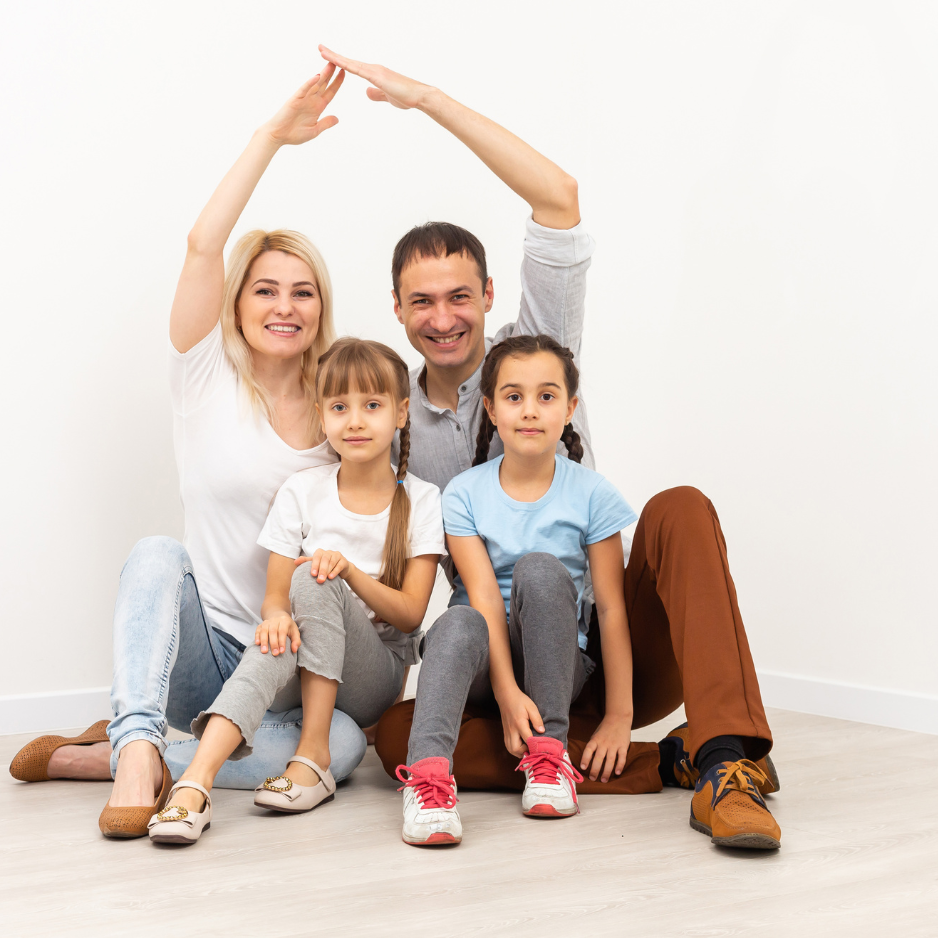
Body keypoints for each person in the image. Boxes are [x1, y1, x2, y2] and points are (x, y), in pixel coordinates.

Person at [319, 49, 782, 851]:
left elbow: (558, 195)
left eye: (460, 296)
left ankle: (726, 763)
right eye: (422, 301)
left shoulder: (531, 357)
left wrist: (427, 98)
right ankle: (647, 766)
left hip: (603, 644)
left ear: (490, 298)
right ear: (396, 308)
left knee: (680, 509)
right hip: (494, 648)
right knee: (391, 742)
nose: (444, 317)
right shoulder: (387, 419)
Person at [9, 67, 371, 839]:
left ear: (322, 306)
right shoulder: (203, 374)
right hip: (208, 653)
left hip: (296, 660)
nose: (284, 306)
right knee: (153, 553)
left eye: (302, 292)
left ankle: (114, 754)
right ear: (236, 303)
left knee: (341, 746)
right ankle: (139, 746)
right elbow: (204, 244)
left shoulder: (348, 404)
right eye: (266, 289)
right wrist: (272, 138)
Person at [147, 339, 444, 844]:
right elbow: (274, 596)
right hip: (304, 663)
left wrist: (349, 573)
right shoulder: (302, 490)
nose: (354, 421)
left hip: (370, 677)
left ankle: (313, 754)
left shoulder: (422, 498)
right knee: (274, 637)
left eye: (372, 406)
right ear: (321, 415)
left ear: (400, 412)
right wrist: (276, 617)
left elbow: (412, 614)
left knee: (316, 576)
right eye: (339, 407)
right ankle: (193, 783)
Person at [395, 335, 638, 845]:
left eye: (546, 397)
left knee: (543, 570)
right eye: (513, 397)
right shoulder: (463, 492)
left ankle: (549, 754)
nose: (530, 411)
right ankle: (429, 780)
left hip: (557, 659)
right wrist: (506, 695)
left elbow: (612, 609)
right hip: (484, 663)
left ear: (570, 408)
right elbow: (482, 596)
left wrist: (620, 715)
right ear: (490, 407)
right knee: (459, 620)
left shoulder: (594, 494)